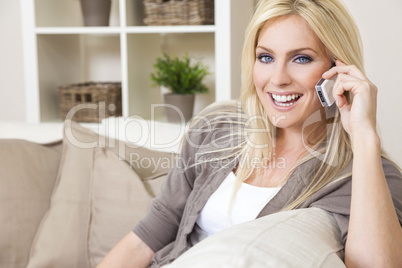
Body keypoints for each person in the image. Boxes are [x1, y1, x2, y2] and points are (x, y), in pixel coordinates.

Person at [98, 0, 402, 267]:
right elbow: (150, 235)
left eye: (301, 58)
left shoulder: (366, 175)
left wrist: (364, 136)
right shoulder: (216, 127)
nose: (278, 79)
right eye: (266, 57)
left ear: (338, 70)